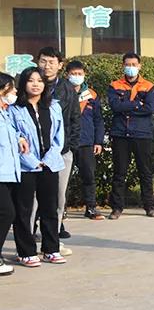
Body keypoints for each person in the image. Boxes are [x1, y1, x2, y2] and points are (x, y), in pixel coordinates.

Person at [10, 68, 67, 266]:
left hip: (50, 164)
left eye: (40, 80)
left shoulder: (54, 106)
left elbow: (59, 136)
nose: (36, 84)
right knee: (24, 210)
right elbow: (13, 136)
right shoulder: (14, 109)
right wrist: (32, 161)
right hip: (26, 166)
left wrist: (49, 159)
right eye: (31, 80)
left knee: (50, 208)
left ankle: (51, 249)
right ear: (23, 84)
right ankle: (26, 252)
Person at [34, 47, 80, 241]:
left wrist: (69, 147)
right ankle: (28, 236)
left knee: (58, 196)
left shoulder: (67, 89)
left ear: (60, 65)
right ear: (37, 62)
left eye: (52, 62)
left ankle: (52, 238)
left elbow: (75, 119)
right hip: (34, 153)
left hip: (61, 151)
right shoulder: (30, 83)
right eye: (43, 61)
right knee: (32, 198)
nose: (47, 66)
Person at [107, 52, 154, 219]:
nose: (131, 67)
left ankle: (149, 206)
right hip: (120, 133)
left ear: (139, 66)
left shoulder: (148, 86)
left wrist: (126, 106)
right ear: (123, 66)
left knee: (145, 172)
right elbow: (115, 107)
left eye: (134, 64)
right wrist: (137, 104)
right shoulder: (115, 85)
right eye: (128, 64)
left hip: (142, 134)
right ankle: (117, 207)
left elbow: (149, 108)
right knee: (119, 172)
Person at [65, 60, 106, 220]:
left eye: (79, 74)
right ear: (67, 75)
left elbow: (98, 120)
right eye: (73, 74)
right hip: (66, 142)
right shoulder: (61, 92)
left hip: (86, 142)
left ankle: (91, 208)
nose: (76, 76)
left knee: (88, 176)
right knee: (64, 178)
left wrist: (98, 141)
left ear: (84, 75)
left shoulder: (92, 95)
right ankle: (62, 209)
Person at [0, 73, 25, 276]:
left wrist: (19, 138)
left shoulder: (5, 112)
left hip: (8, 172)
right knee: (7, 213)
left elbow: (10, 133)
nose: (15, 92)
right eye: (12, 88)